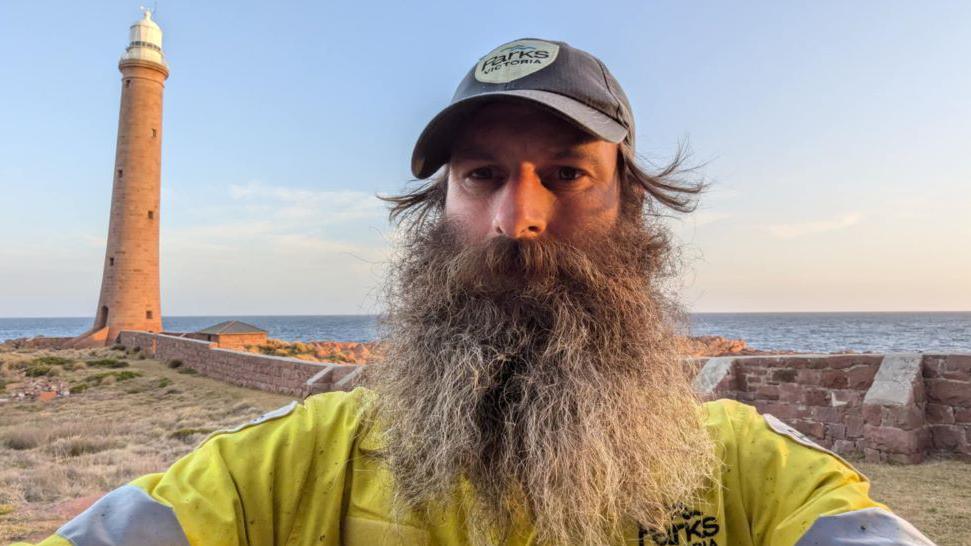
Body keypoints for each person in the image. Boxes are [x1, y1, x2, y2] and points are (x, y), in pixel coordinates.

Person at [16, 38, 936, 546]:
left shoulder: (741, 468)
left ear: (633, 211)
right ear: (439, 207)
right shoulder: (301, 462)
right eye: (480, 175)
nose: (514, 220)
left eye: (566, 176)